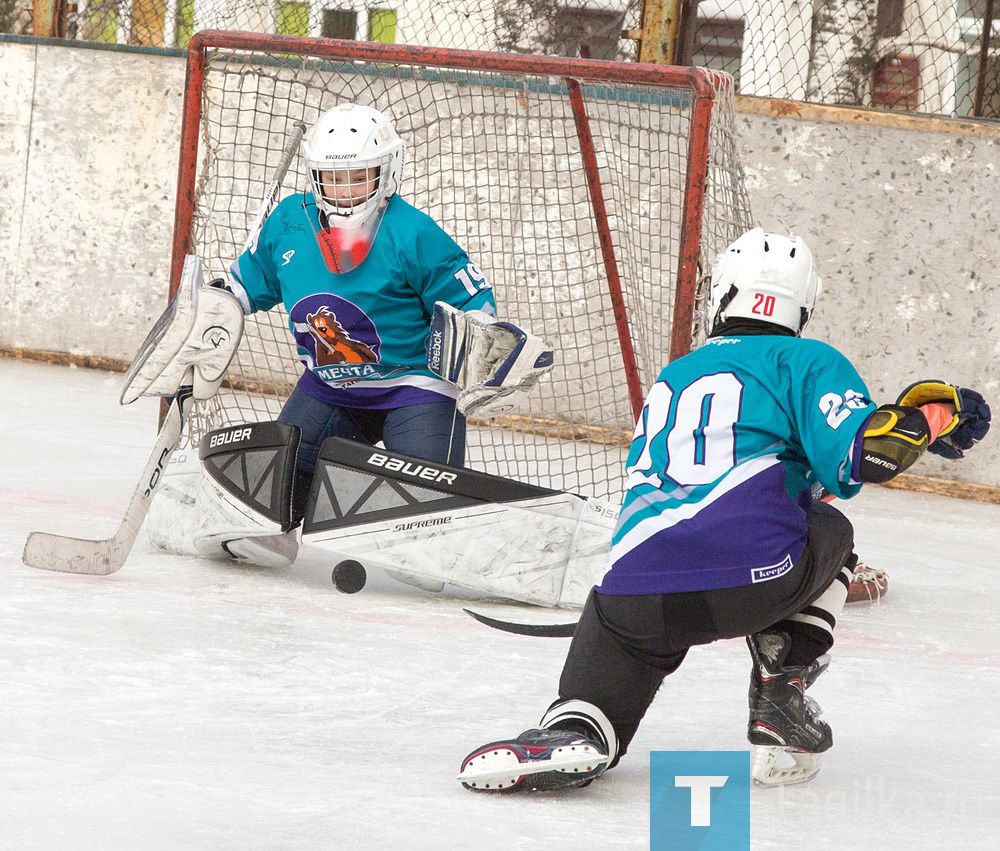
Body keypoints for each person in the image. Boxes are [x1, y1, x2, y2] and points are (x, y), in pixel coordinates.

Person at [457, 227, 990, 792]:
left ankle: (578, 725)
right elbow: (868, 458)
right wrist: (934, 417)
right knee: (832, 530)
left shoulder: (677, 372)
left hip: (635, 589)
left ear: (724, 294)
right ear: (801, 307)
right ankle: (781, 687)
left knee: (606, 672)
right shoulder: (805, 359)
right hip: (752, 577)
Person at [144, 103, 550, 572]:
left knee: (424, 521)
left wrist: (483, 347)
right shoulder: (289, 222)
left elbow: (472, 303)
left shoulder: (413, 232)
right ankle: (279, 531)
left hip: (415, 387)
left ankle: (434, 534)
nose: (343, 191)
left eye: (358, 177)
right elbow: (244, 286)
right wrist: (212, 310)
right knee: (273, 491)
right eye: (332, 179)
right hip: (329, 386)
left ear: (387, 172)